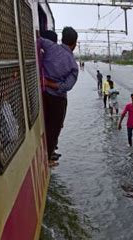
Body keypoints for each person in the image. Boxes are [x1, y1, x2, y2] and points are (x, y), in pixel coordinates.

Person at [40, 26, 79, 166]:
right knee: (55, 127)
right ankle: (48, 157)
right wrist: (51, 84)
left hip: (44, 94)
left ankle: (48, 152)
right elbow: (66, 87)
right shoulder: (73, 65)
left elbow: (37, 40)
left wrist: (44, 80)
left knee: (47, 124)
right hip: (58, 99)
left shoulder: (50, 46)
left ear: (62, 39)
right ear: (74, 44)